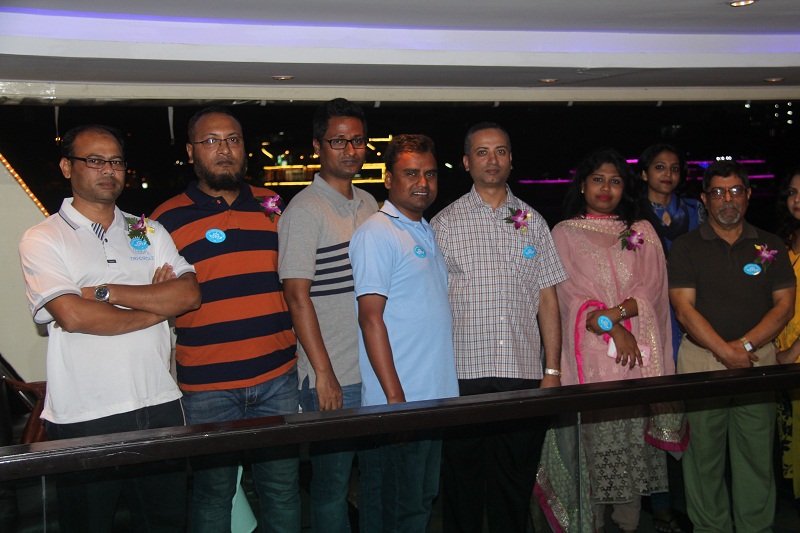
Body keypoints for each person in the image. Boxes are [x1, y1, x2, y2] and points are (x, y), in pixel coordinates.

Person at [18, 124, 201, 532]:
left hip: (159, 403)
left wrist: (103, 292)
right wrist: (155, 307)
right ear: (67, 167)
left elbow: (189, 295)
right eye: (94, 160)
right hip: (86, 413)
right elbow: (74, 316)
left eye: (116, 161)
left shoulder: (146, 229)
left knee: (167, 524)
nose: (108, 170)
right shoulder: (43, 237)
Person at [151, 107, 300, 533]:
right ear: (191, 152)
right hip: (207, 387)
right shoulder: (164, 220)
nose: (224, 150)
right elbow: (157, 297)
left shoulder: (272, 206)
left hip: (278, 377)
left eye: (232, 140)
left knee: (283, 491)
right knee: (213, 496)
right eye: (211, 141)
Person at [536, 149, 686, 533]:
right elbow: (570, 300)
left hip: (635, 363)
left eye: (615, 181)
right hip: (589, 368)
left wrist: (614, 316)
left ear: (625, 188)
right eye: (598, 179)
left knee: (629, 456)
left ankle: (629, 525)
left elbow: (653, 291)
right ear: (582, 185)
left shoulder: (640, 231)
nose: (606, 188)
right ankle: (590, 525)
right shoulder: (564, 234)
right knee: (592, 453)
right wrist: (614, 326)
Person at [430, 122, 566, 533]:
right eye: (482, 152)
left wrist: (552, 371)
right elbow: (429, 304)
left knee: (514, 486)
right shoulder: (444, 223)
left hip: (521, 373)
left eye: (501, 151)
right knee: (462, 487)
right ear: (467, 162)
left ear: (511, 160)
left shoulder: (533, 221)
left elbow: (548, 300)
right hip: (461, 377)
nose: (493, 160)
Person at [669, 160, 795, 532]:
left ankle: (756, 527)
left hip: (758, 359)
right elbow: (684, 309)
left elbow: (784, 307)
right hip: (701, 360)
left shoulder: (770, 244)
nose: (728, 199)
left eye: (736, 190)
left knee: (756, 455)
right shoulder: (686, 246)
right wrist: (726, 352)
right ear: (704, 199)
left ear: (749, 196)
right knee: (703, 458)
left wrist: (743, 345)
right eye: (719, 192)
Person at [277, 98, 378, 532]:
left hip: (373, 371)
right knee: (331, 487)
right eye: (338, 141)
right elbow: (296, 297)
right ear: (318, 146)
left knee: (373, 480)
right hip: (334, 376)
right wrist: (324, 374)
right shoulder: (304, 210)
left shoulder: (370, 203)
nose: (350, 150)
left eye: (357, 140)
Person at [349, 134, 458, 533]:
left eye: (430, 174)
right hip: (400, 403)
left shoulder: (424, 230)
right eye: (411, 173)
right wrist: (396, 402)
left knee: (419, 502)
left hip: (432, 398)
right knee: (400, 511)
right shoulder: (377, 232)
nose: (422, 183)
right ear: (388, 178)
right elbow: (370, 319)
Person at [637, 143, 703, 533]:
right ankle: (660, 506)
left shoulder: (696, 210)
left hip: (692, 319)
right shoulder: (631, 214)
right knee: (653, 414)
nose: (668, 175)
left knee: (689, 414)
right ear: (644, 173)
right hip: (648, 321)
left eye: (674, 168)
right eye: (659, 167)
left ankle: (693, 504)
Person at [774, 166, 800, 508]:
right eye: (793, 193)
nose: (798, 200)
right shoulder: (780, 244)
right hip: (782, 362)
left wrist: (795, 350)